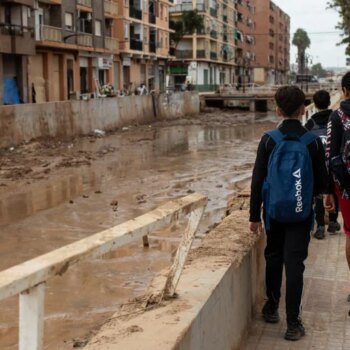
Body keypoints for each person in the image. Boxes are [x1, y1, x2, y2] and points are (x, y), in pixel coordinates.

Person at [250, 86, 327, 341]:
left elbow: (257, 180)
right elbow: (320, 182)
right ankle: (293, 324)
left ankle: (271, 308)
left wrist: (253, 216)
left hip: (273, 213)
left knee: (273, 257)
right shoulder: (312, 142)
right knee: (295, 265)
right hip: (301, 213)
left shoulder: (269, 139)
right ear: (304, 109)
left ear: (278, 109)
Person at [324, 72, 350, 307]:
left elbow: (331, 156)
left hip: (347, 190)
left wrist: (330, 191)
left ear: (344, 91)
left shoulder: (338, 116)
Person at [305, 90, 340, 239]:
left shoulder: (310, 123)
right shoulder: (336, 119)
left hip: (316, 165)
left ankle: (320, 226)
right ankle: (332, 221)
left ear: (315, 103)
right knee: (334, 192)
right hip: (333, 164)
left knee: (319, 195)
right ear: (328, 101)